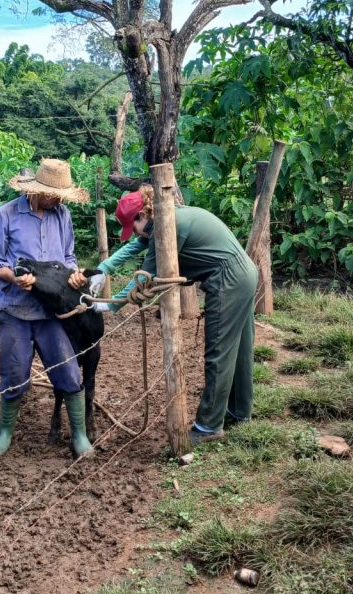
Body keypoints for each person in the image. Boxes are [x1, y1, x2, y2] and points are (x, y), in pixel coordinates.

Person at [95, 187, 258, 445]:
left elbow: (146, 276)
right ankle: (239, 412)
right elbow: (136, 245)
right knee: (239, 350)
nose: (133, 233)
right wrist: (103, 269)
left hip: (228, 280)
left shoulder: (169, 227)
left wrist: (109, 305)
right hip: (244, 272)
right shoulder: (167, 216)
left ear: (142, 215)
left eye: (132, 226)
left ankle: (208, 427)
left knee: (219, 351)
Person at [0, 158, 93, 459]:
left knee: (68, 371)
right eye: (53, 194)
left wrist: (73, 274)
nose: (58, 200)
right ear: (36, 190)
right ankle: (5, 431)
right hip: (16, 310)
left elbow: (68, 256)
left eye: (61, 195)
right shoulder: (5, 215)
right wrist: (13, 277)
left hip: (52, 312)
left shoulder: (62, 215)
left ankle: (79, 434)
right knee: (14, 371)